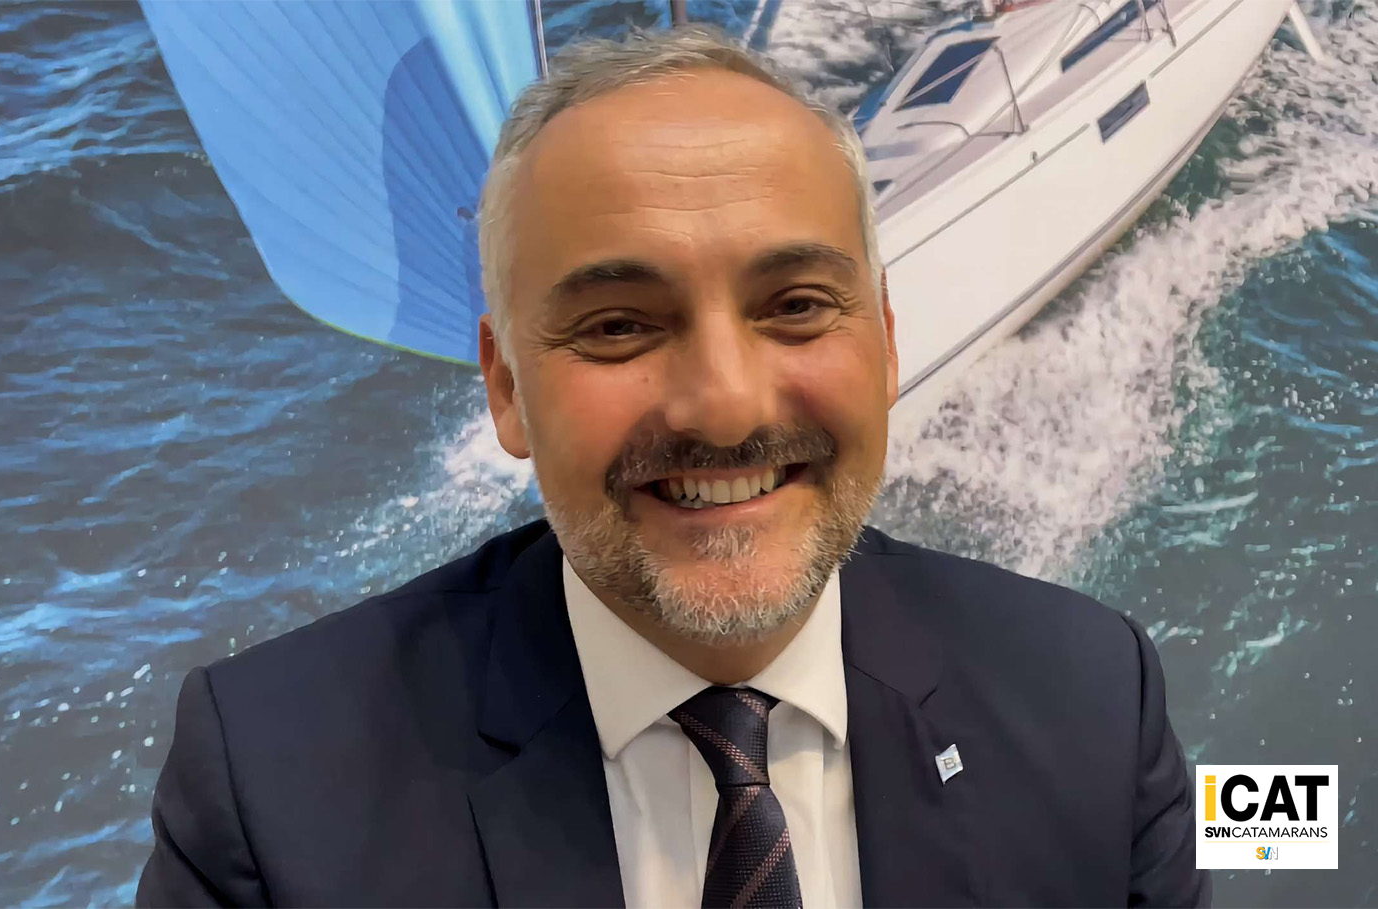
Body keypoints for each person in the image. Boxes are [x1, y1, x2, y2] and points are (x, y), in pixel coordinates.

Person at [136, 24, 1209, 909]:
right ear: (505, 386)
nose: (726, 405)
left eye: (796, 305)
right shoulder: (271, 792)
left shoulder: (1094, 702)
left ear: (885, 343)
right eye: (617, 325)